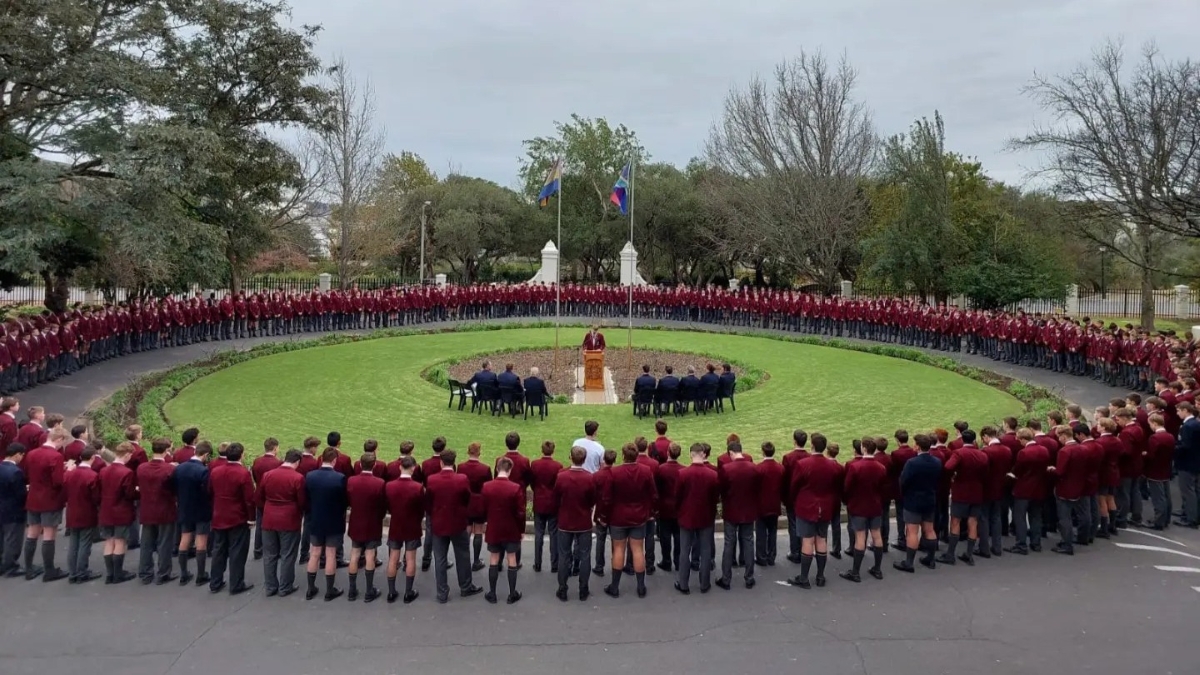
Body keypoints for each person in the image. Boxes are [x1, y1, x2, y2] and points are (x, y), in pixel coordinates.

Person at [425, 449, 482, 603]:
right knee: (462, 555)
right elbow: (466, 498)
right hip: (457, 523)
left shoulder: (432, 479)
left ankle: (442, 592)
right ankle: (466, 586)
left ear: (441, 462)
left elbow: (428, 502)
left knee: (440, 559)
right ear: (454, 462)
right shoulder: (462, 479)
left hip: (439, 523)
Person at [601, 443, 657, 598]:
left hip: (618, 517)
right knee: (638, 549)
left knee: (619, 549)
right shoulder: (646, 471)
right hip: (638, 516)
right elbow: (653, 495)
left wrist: (604, 516)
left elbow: (607, 498)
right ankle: (641, 586)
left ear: (623, 455)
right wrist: (649, 512)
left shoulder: (614, 472)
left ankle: (615, 586)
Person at [256, 449, 305, 597]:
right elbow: (302, 501)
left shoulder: (268, 475)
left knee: (269, 554)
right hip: (289, 519)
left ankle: (270, 586)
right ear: (297, 462)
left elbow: (259, 497)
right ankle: (285, 586)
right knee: (288, 554)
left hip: (269, 518)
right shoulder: (298, 478)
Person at [208, 442, 255, 595]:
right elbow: (249, 499)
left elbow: (210, 491)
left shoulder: (216, 471)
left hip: (219, 515)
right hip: (237, 517)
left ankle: (215, 582)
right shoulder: (243, 473)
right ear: (242, 455)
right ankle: (236, 583)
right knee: (237, 552)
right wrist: (251, 518)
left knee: (218, 550)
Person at [22, 425, 68, 581]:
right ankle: (49, 570)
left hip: (33, 498)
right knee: (49, 534)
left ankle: (29, 568)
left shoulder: (31, 453)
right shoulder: (56, 456)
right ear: (59, 439)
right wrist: (67, 471)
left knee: (32, 533)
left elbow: (28, 473)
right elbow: (58, 481)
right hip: (50, 499)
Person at [840, 437, 888, 582]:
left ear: (864, 449)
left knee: (860, 537)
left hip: (859, 506)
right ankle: (877, 569)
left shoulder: (856, 467)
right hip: (875, 505)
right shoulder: (881, 467)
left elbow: (847, 487)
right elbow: (882, 487)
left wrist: (848, 500)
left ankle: (855, 572)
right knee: (876, 535)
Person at [937, 429, 988, 566]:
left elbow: (948, 467)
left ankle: (950, 554)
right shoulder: (982, 454)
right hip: (977, 491)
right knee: (973, 522)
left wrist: (955, 475)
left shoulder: (959, 453)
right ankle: (969, 554)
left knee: (955, 521)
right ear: (974, 440)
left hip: (961, 492)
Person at [675, 443, 719, 595]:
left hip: (687, 516)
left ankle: (683, 583)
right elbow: (715, 498)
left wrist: (680, 511)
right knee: (705, 550)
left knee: (685, 550)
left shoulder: (682, 474)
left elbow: (677, 497)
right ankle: (704, 583)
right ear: (703, 454)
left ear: (691, 455)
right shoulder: (712, 475)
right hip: (705, 516)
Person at [304, 447, 348, 601]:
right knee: (331, 554)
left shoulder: (310, 476)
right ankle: (330, 590)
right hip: (334, 520)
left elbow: (306, 497)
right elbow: (344, 501)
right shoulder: (340, 478)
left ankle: (310, 588)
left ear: (322, 459)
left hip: (316, 519)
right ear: (334, 460)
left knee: (314, 553)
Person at [554, 446, 596, 601]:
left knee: (564, 555)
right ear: (584, 460)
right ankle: (583, 589)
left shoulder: (561, 477)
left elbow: (556, 497)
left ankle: (562, 589)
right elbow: (592, 499)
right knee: (585, 556)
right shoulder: (589, 478)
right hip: (583, 521)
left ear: (570, 458)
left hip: (565, 521)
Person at [894, 434, 941, 573]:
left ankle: (909, 563)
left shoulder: (912, 463)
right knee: (929, 529)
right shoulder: (937, 461)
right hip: (929, 499)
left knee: (912, 531)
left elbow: (903, 481)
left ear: (918, 446)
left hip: (913, 500)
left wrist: (904, 494)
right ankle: (930, 559)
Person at [482, 457, 526, 604]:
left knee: (494, 558)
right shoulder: (515, 488)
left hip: (494, 528)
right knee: (511, 558)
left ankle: (492, 593)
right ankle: (512, 593)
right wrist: (521, 530)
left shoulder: (487, 486)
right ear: (510, 470)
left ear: (496, 468)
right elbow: (520, 513)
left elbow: (484, 508)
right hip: (511, 528)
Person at [717, 439, 759, 590]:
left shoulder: (726, 469)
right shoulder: (754, 468)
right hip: (748, 510)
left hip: (731, 510)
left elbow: (721, 489)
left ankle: (726, 578)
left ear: (730, 453)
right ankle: (749, 577)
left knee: (729, 542)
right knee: (748, 542)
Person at [346, 449, 386, 602]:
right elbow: (382, 505)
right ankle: (369, 590)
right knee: (370, 555)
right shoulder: (379, 483)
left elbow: (349, 500)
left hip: (356, 521)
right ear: (374, 465)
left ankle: (352, 590)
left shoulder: (351, 481)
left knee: (354, 554)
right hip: (372, 522)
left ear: (360, 465)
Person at [136, 438, 177, 584]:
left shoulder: (142, 468)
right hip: (165, 509)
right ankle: (163, 572)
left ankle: (145, 572)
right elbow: (174, 489)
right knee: (164, 542)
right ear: (166, 450)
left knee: (146, 543)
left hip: (147, 509)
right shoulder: (169, 469)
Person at [385, 456, 424, 603]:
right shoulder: (417, 487)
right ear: (413, 468)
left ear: (400, 467)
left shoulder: (389, 486)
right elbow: (421, 509)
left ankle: (391, 591)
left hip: (396, 524)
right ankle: (408, 592)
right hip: (412, 525)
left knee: (393, 558)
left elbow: (388, 505)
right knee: (410, 558)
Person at [98, 441, 138, 584]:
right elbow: (129, 493)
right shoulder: (127, 472)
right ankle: (118, 573)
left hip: (106, 510)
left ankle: (110, 574)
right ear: (127, 454)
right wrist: (137, 492)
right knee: (120, 541)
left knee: (109, 541)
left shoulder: (103, 471)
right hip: (121, 510)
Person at [174, 440, 213, 585]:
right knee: (201, 541)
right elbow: (208, 491)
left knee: (185, 539)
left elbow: (172, 485)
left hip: (184, 507)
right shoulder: (203, 471)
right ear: (206, 455)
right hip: (201, 508)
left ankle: (184, 573)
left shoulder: (179, 468)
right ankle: (201, 574)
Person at [1007, 428, 1050, 554]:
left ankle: (1021, 544)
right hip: (1039, 488)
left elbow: (1018, 470)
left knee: (1020, 517)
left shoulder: (1023, 453)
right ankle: (1036, 543)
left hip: (1023, 489)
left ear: (1023, 439)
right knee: (1036, 516)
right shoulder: (1044, 450)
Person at [63, 444, 101, 583]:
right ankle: (82, 571)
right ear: (92, 458)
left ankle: (73, 572)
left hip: (72, 511)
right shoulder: (92, 476)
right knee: (85, 543)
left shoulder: (70, 474)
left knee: (74, 543)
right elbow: (96, 497)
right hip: (87, 512)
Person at [457, 442, 492, 572]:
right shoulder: (485, 469)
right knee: (478, 530)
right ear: (479, 452)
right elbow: (488, 486)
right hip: (479, 503)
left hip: (466, 502)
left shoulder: (461, 467)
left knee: (467, 529)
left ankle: (464, 558)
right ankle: (476, 560)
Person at [529, 440, 562, 574]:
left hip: (539, 501)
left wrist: (537, 491)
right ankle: (554, 564)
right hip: (553, 503)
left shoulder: (535, 464)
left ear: (542, 450)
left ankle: (537, 563)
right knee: (554, 534)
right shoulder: (557, 466)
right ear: (553, 451)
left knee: (539, 534)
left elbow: (532, 482)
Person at [979, 426, 1012, 558]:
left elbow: (983, 471)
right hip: (1000, 487)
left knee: (984, 518)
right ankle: (997, 546)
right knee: (996, 517)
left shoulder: (986, 451)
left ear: (986, 437)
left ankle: (984, 547)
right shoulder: (1007, 450)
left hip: (986, 488)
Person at [250, 437, 282, 561]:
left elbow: (254, 477)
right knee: (275, 525)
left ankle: (257, 549)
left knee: (260, 523)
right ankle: (274, 550)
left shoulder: (257, 461)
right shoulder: (278, 463)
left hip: (259, 496)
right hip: (272, 497)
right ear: (275, 448)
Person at [781, 429, 810, 563]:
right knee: (804, 524)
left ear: (794, 441)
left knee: (793, 524)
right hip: (805, 496)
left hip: (793, 496)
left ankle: (795, 551)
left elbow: (785, 478)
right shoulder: (809, 457)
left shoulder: (788, 458)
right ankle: (803, 550)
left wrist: (784, 497)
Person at [654, 442, 683, 572]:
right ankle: (678, 561)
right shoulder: (683, 470)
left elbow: (656, 488)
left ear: (668, 453)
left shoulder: (661, 469)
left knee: (665, 536)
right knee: (678, 535)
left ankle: (666, 561)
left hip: (664, 507)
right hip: (678, 507)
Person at [0, 443, 27, 577]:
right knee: (12, 539)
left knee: (1, 537)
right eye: (22, 455)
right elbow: (20, 494)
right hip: (13, 510)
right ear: (17, 454)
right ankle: (10, 566)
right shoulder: (16, 472)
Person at [755, 441, 784, 567]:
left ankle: (761, 557)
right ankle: (771, 557)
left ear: (763, 452)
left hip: (761, 504)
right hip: (774, 503)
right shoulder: (780, 468)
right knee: (772, 531)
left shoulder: (758, 468)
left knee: (761, 532)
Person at [1144, 414, 1175, 530]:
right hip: (1166, 469)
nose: (1150, 426)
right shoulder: (1170, 436)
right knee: (1166, 496)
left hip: (1155, 470)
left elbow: (1151, 455)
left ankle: (1158, 521)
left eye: (1150, 424)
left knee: (1158, 497)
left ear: (1155, 423)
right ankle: (1166, 519)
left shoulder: (1154, 438)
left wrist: (1145, 455)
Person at [591, 449, 616, 576]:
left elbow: (593, 495)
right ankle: (616, 565)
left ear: (603, 459)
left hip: (601, 511)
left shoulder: (596, 476)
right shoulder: (617, 474)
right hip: (615, 512)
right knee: (615, 541)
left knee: (600, 539)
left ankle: (599, 566)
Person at [1176, 402, 1200, 528]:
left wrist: (1173, 449)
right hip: (1195, 461)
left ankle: (1191, 518)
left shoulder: (1187, 426)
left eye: (1179, 411)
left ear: (1185, 410)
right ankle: (1193, 514)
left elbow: (1185, 446)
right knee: (1195, 490)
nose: (1177, 413)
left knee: (1188, 491)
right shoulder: (1196, 423)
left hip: (1186, 463)